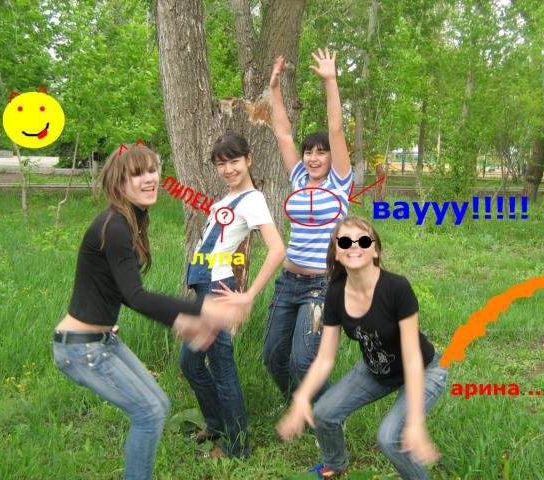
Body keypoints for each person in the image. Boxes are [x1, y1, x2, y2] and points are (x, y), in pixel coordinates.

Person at [53, 143, 245, 480]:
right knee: (149, 413)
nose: (149, 179)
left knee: (159, 405)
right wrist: (203, 308)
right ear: (119, 183)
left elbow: (124, 294)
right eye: (137, 174)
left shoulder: (130, 220)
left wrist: (182, 320)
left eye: (152, 170)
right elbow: (137, 297)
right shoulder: (114, 226)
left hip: (100, 341)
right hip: (81, 349)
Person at [276, 216, 447, 479]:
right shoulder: (335, 292)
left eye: (363, 241)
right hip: (376, 368)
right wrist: (301, 397)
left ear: (375, 250)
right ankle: (335, 465)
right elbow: (325, 358)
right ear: (336, 252)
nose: (354, 245)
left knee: (390, 438)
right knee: (324, 413)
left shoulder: (396, 288)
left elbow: (412, 357)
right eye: (345, 241)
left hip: (424, 370)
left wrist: (414, 422)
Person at [181, 132, 285, 457]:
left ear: (249, 159)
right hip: (205, 288)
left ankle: (238, 445)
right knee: (190, 363)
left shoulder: (252, 199)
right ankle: (216, 424)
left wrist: (249, 294)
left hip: (217, 291)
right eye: (221, 164)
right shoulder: (225, 200)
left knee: (222, 368)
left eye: (234, 161)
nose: (228, 169)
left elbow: (277, 249)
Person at [264, 48, 353, 401]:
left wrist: (330, 80)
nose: (313, 158)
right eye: (309, 152)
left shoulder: (340, 182)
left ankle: (328, 416)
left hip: (321, 285)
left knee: (304, 362)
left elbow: (336, 128)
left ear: (331, 156)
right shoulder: (299, 178)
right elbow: (283, 134)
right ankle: (299, 406)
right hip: (287, 282)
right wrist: (274, 89)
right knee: (272, 358)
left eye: (321, 151)